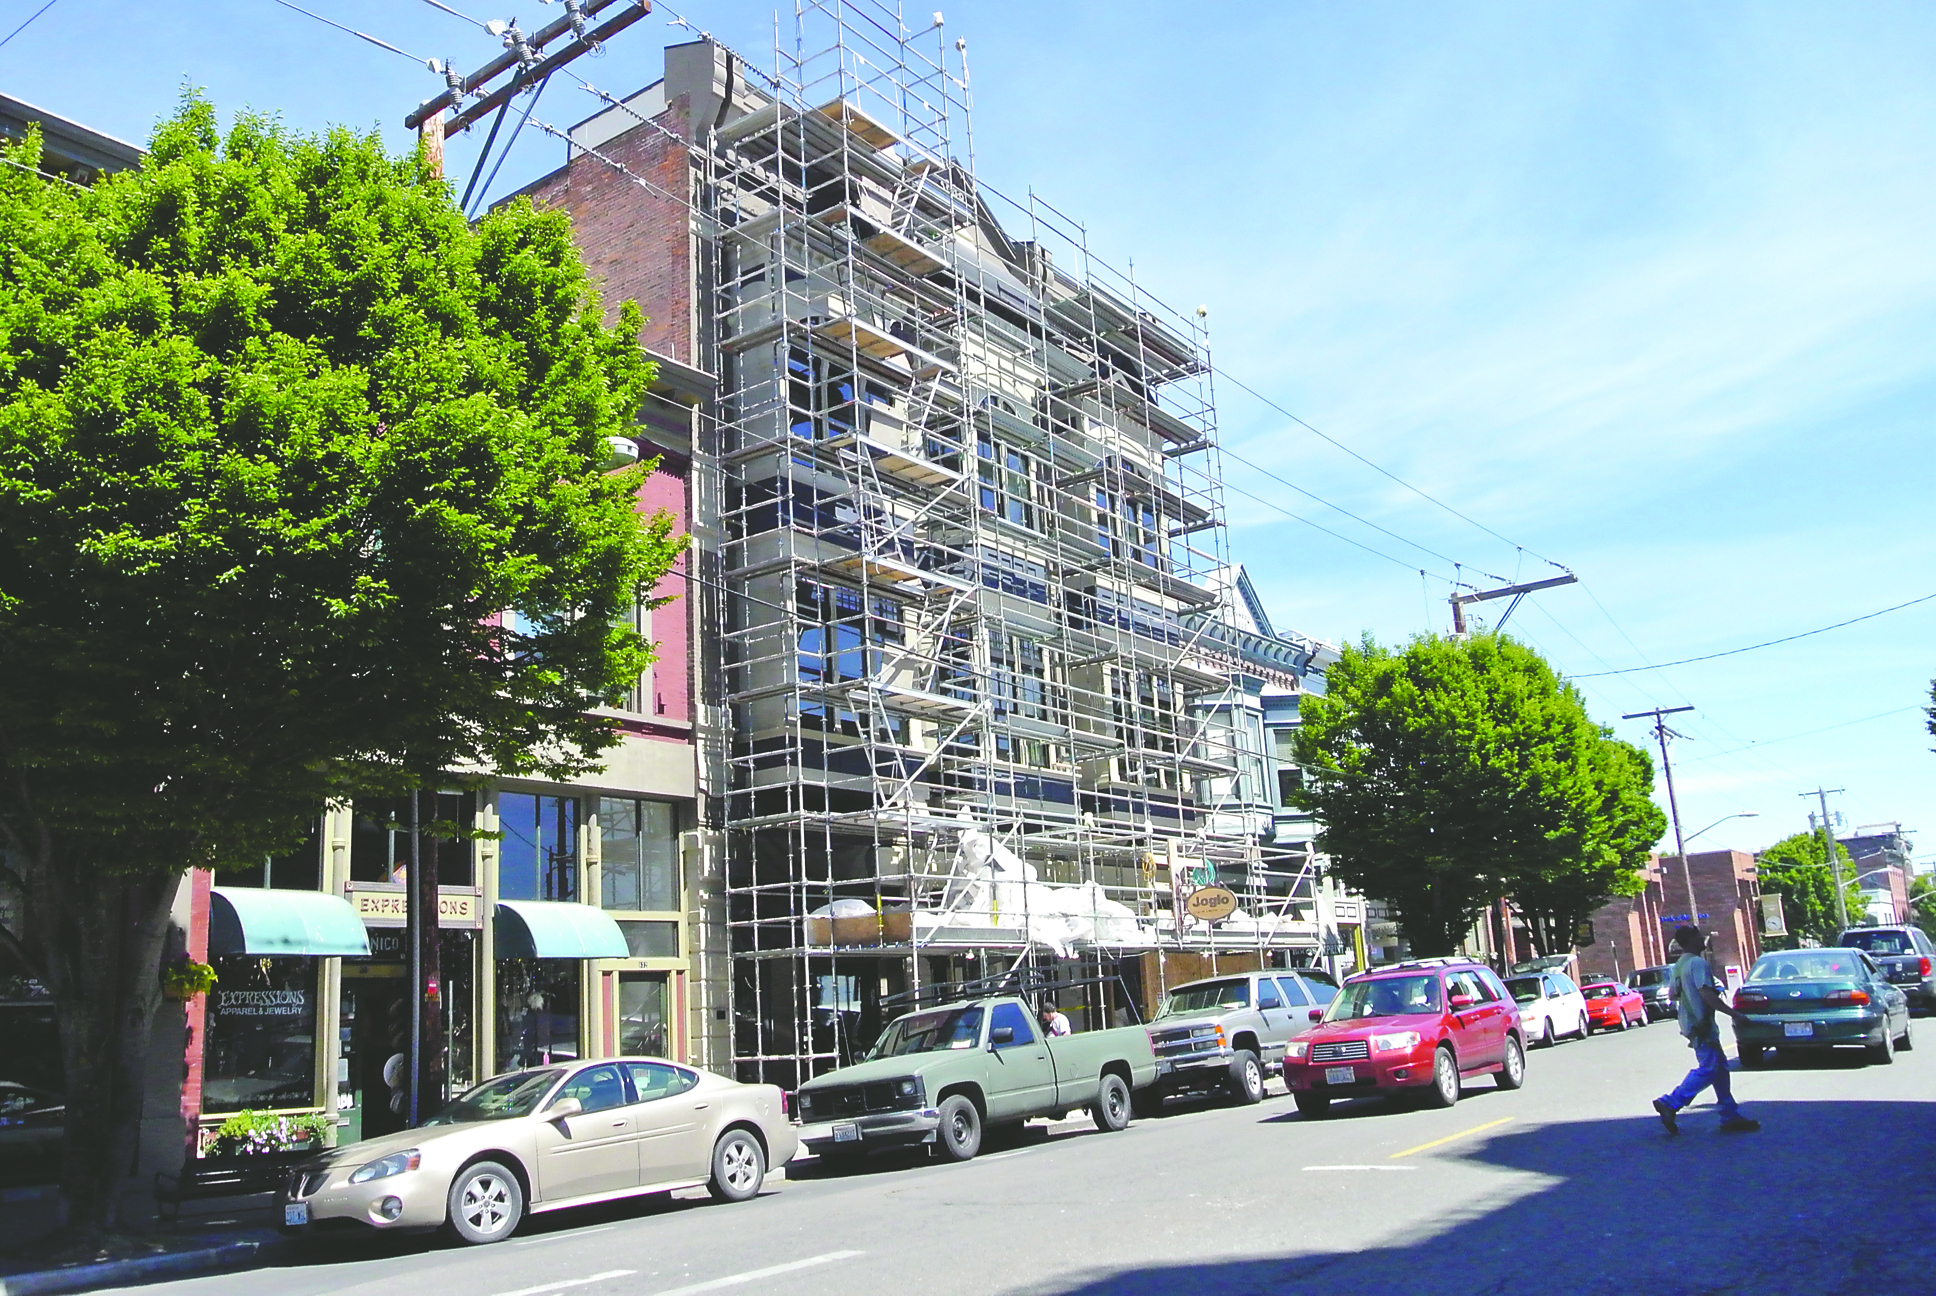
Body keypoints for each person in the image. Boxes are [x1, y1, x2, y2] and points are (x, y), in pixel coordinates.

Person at [1653, 925, 1759, 1135]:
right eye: (1698, 935)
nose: (1703, 938)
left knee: (1720, 1068)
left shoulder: (1680, 964)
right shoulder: (1698, 963)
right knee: (1709, 1068)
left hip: (1691, 1023)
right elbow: (1706, 995)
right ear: (1691, 940)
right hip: (1701, 1024)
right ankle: (1670, 1102)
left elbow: (1673, 994)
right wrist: (1734, 1014)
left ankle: (1729, 1115)